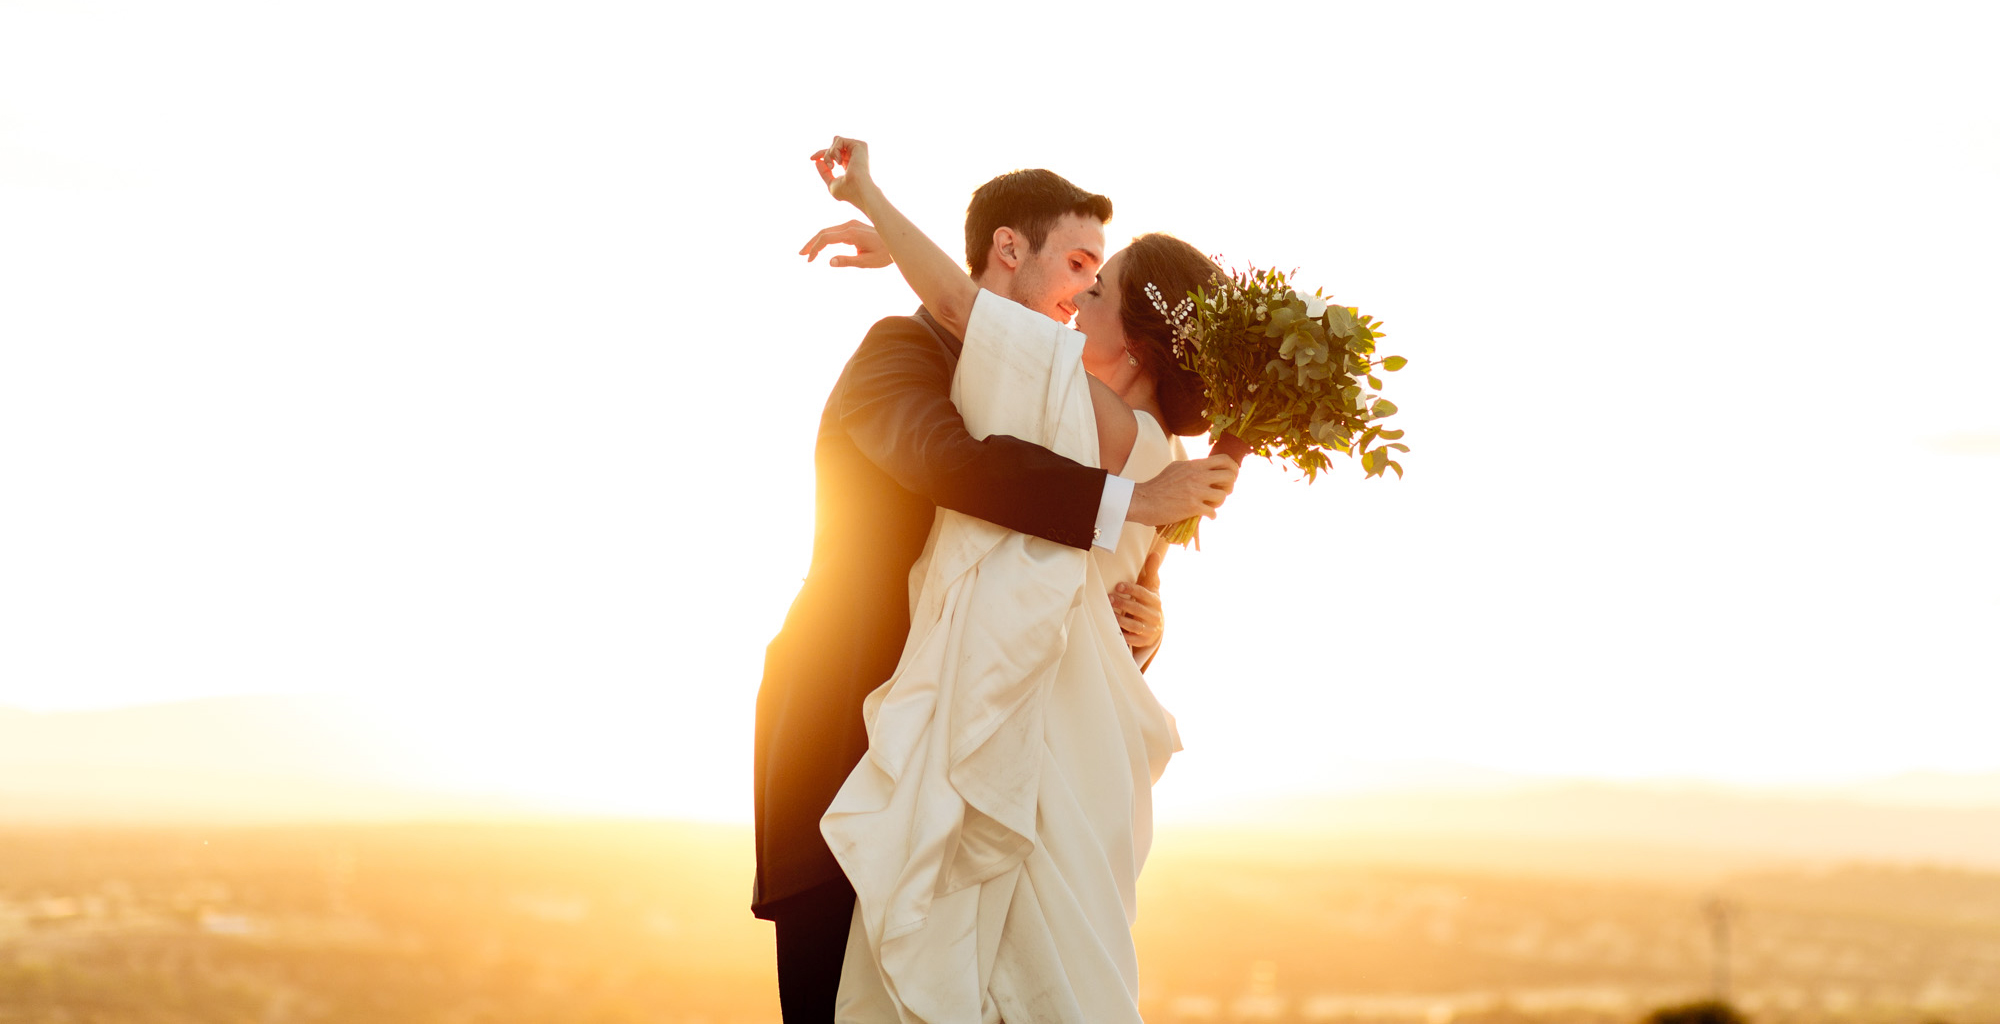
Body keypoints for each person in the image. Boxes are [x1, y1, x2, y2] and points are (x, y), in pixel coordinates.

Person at [754, 155, 1241, 1022]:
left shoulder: (1074, 412)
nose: (1080, 294)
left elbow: (1060, 601)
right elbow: (957, 466)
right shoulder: (898, 353)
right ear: (1011, 252)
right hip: (848, 764)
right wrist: (1128, 503)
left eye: (1100, 280)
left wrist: (1142, 622)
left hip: (986, 768)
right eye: (1079, 268)